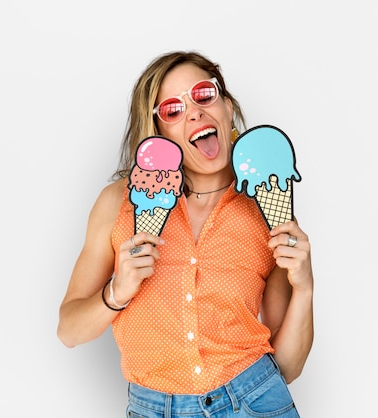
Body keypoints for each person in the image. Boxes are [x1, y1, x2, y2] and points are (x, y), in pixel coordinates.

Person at [57, 50, 314, 418]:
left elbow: (287, 367)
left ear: (227, 107)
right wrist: (118, 291)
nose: (194, 111)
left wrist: (305, 287)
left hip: (254, 400)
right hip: (152, 408)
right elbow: (69, 330)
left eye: (204, 95)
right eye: (173, 110)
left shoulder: (264, 206)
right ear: (159, 131)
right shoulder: (119, 204)